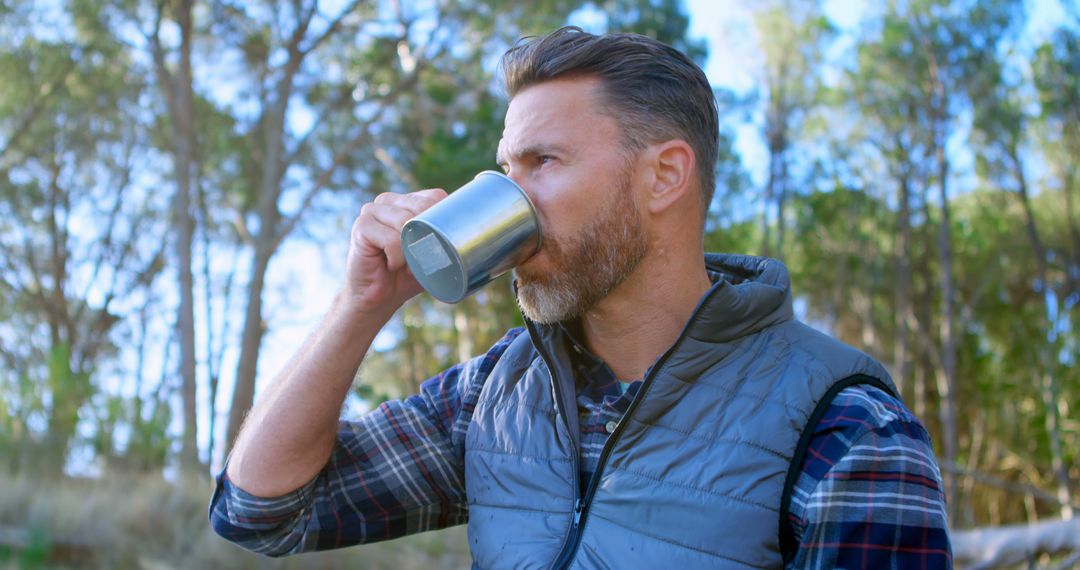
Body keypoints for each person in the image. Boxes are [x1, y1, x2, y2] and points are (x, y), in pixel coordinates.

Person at [209, 26, 951, 569]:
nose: (509, 199)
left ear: (664, 176)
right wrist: (360, 304)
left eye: (542, 163)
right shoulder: (495, 397)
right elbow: (260, 513)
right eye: (505, 168)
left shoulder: (849, 431)